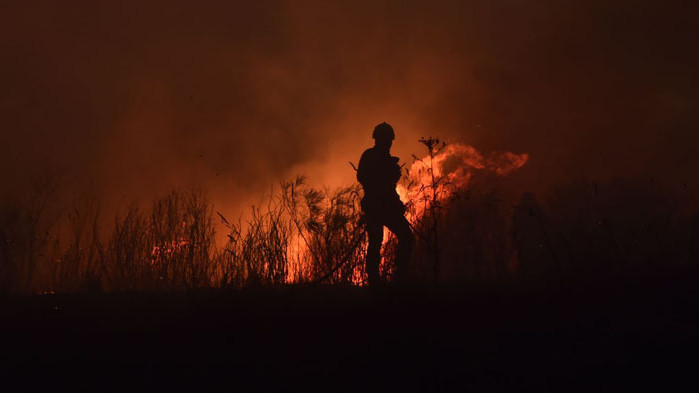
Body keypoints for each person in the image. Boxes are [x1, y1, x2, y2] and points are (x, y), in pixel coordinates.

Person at [357, 122, 414, 285]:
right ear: (380, 140)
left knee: (387, 239)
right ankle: (384, 277)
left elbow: (386, 186)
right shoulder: (373, 157)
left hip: (383, 206)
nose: (389, 143)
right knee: (380, 240)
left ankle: (395, 276)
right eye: (387, 139)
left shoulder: (376, 157)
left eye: (389, 140)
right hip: (378, 207)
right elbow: (368, 180)